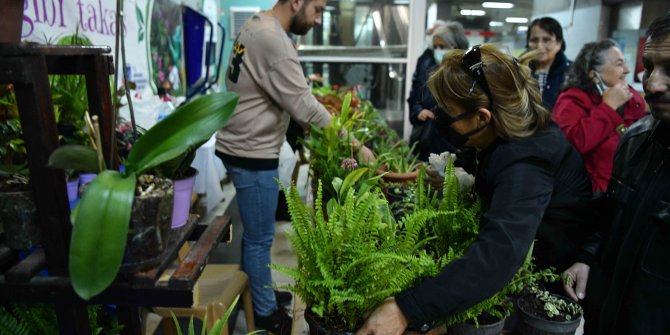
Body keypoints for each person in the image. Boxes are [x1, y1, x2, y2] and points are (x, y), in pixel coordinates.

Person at [356, 44, 596, 335]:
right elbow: (482, 161)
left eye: (447, 112)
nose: (439, 116)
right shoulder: (503, 132)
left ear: (482, 117)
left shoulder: (528, 162)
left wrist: (406, 309)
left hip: (543, 283)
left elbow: (497, 258)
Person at [216, 1, 373, 334]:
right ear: (296, 2)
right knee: (260, 240)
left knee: (254, 236)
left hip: (241, 142)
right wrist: (356, 147)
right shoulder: (274, 39)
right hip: (251, 151)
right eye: (316, 9)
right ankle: (265, 316)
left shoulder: (257, 24)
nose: (318, 19)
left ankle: (260, 297)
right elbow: (308, 109)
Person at [567, 13, 670, 334]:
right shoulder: (637, 140)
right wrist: (586, 257)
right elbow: (609, 215)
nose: (652, 84)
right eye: (649, 67)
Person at [553, 39, 646, 193]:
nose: (627, 70)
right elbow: (574, 145)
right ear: (595, 75)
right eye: (619, 64)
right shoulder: (571, 101)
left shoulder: (632, 100)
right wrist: (608, 107)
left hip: (628, 191)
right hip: (589, 197)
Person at [408, 21, 469, 162]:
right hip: (426, 136)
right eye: (435, 47)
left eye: (443, 47)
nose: (438, 50)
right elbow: (415, 95)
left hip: (451, 142)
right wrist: (418, 111)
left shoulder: (465, 71)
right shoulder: (426, 63)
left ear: (455, 47)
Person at [526, 17, 572, 111]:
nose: (539, 46)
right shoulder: (519, 70)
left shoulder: (572, 73)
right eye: (534, 40)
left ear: (559, 43)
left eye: (546, 40)